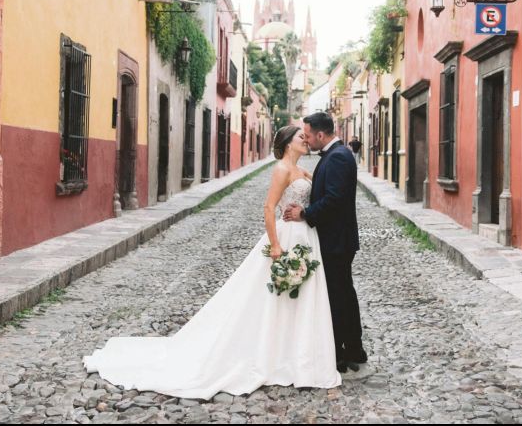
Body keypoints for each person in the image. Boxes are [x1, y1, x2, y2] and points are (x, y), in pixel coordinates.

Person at [83, 125, 341, 399]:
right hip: (287, 237)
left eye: (306, 136)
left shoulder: (303, 171)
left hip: (305, 237)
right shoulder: (281, 170)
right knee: (273, 297)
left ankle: (294, 355)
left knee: (298, 298)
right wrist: (275, 245)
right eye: (301, 137)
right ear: (289, 144)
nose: (306, 140)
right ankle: (273, 355)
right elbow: (268, 207)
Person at [283, 112, 367, 373]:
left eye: (308, 135)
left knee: (339, 296)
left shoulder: (339, 157)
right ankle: (350, 349)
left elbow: (334, 199)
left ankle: (345, 353)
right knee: (341, 294)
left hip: (336, 241)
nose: (307, 140)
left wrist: (305, 214)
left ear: (321, 134)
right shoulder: (335, 155)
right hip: (335, 239)